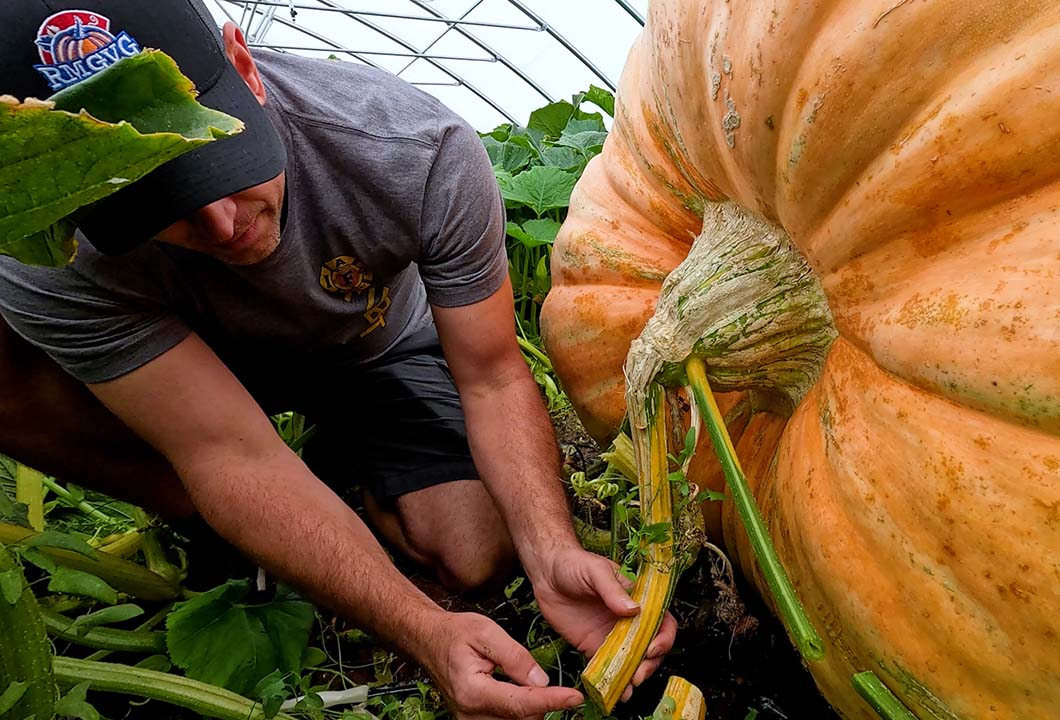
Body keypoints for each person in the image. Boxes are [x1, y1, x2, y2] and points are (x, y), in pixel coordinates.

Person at [0, 1, 675, 717]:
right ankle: (212, 520)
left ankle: (326, 486)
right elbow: (231, 453)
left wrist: (551, 549)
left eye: (215, 168)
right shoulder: (52, 255)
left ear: (244, 67)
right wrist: (424, 630)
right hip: (204, 378)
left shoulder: (413, 148)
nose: (222, 224)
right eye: (153, 205)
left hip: (369, 350)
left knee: (474, 552)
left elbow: (492, 374)